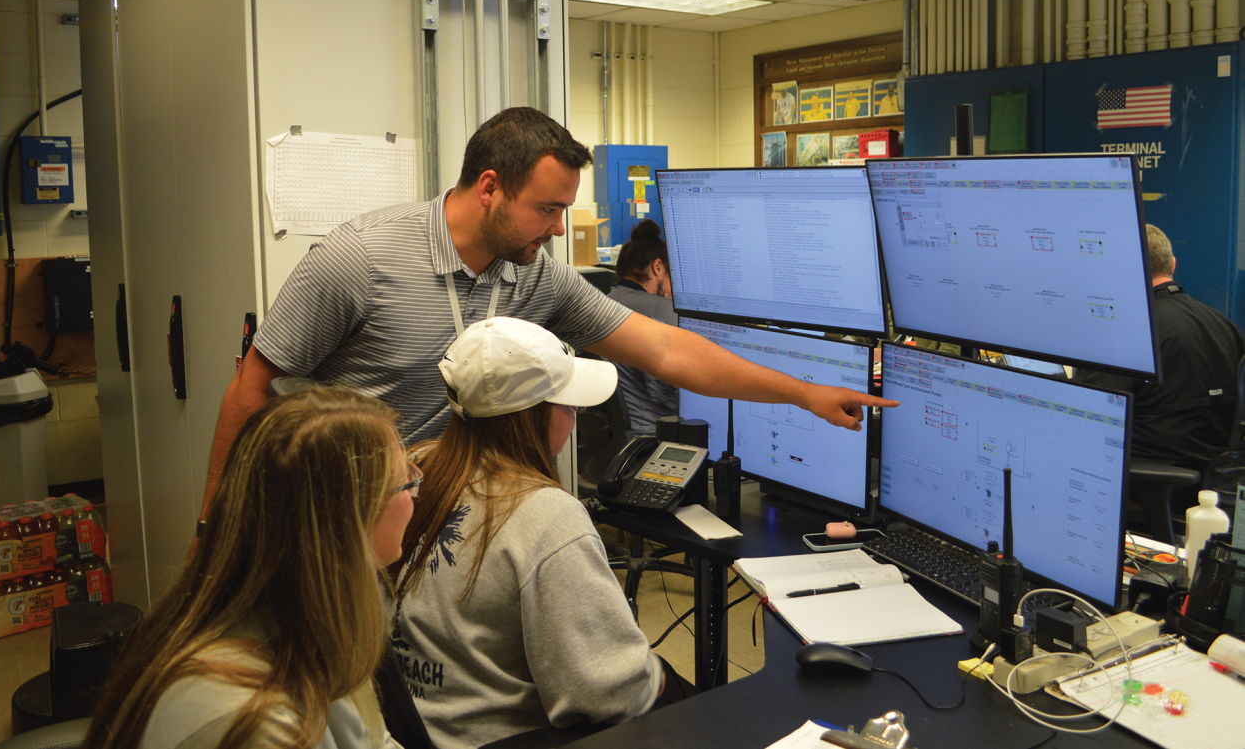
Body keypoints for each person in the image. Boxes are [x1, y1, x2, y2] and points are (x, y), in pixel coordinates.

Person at [204, 107, 892, 520]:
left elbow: (668, 351)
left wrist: (802, 392)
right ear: (490, 187)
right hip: (334, 513)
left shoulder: (537, 277)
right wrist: (214, 528)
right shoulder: (360, 260)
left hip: (432, 517)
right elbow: (250, 390)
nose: (561, 229)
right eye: (549, 209)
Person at [390, 317, 685, 749]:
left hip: (423, 729)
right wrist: (658, 676)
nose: (577, 415)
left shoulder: (423, 467)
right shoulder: (546, 515)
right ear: (530, 417)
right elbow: (608, 694)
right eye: (569, 405)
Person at [85, 388, 417, 749]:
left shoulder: (317, 616)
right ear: (348, 521)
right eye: (406, 481)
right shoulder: (251, 720)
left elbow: (373, 739)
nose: (415, 494)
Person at [1073, 224, 1245, 469]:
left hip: (1144, 473)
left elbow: (1087, 412)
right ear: (1173, 265)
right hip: (1213, 476)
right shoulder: (1225, 325)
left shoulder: (1126, 328)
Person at [606, 219, 679, 436]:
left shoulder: (605, 300)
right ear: (657, 267)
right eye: (669, 275)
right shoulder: (662, 310)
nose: (669, 288)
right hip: (650, 432)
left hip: (614, 433)